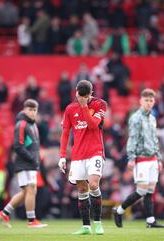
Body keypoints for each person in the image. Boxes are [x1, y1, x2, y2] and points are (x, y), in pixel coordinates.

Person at [113, 88, 164, 228]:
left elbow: (154, 139)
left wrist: (159, 158)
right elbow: (132, 139)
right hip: (141, 159)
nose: (149, 103)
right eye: (146, 100)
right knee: (142, 190)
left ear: (154, 101)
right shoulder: (135, 118)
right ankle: (119, 210)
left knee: (150, 190)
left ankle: (150, 221)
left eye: (151, 100)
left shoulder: (152, 118)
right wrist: (131, 157)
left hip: (153, 159)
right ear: (140, 101)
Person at [58, 80, 107, 235]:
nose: (83, 98)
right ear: (76, 92)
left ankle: (98, 222)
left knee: (93, 184)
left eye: (86, 96)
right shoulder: (70, 109)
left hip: (95, 152)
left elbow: (93, 125)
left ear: (91, 93)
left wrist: (85, 106)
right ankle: (86, 226)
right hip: (78, 155)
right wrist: (62, 156)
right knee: (81, 189)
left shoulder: (100, 105)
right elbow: (65, 133)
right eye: (81, 95)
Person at [0, 99, 47, 228]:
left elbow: (32, 145)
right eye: (30, 109)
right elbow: (18, 146)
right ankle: (31, 220)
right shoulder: (22, 124)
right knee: (31, 189)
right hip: (25, 163)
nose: (32, 112)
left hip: (31, 164)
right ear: (24, 110)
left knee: (26, 192)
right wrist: (32, 159)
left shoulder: (33, 125)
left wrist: (36, 160)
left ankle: (4, 212)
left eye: (34, 110)